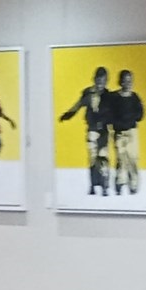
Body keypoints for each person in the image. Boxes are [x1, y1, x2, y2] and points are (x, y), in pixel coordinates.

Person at [59, 66, 114, 196]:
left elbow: (113, 113)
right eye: (99, 80)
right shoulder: (88, 93)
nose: (100, 83)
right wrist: (68, 115)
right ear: (94, 79)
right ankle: (93, 185)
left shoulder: (108, 96)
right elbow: (78, 105)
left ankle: (104, 186)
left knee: (103, 158)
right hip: (92, 130)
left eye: (103, 80)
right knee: (93, 159)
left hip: (104, 131)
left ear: (106, 81)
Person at [110, 67, 146, 196]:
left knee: (132, 158)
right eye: (125, 81)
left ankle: (134, 184)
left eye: (130, 81)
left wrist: (131, 118)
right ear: (120, 81)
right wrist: (117, 123)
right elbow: (110, 113)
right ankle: (120, 183)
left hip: (131, 132)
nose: (128, 83)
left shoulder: (134, 97)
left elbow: (140, 114)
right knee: (121, 158)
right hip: (119, 133)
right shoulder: (114, 97)